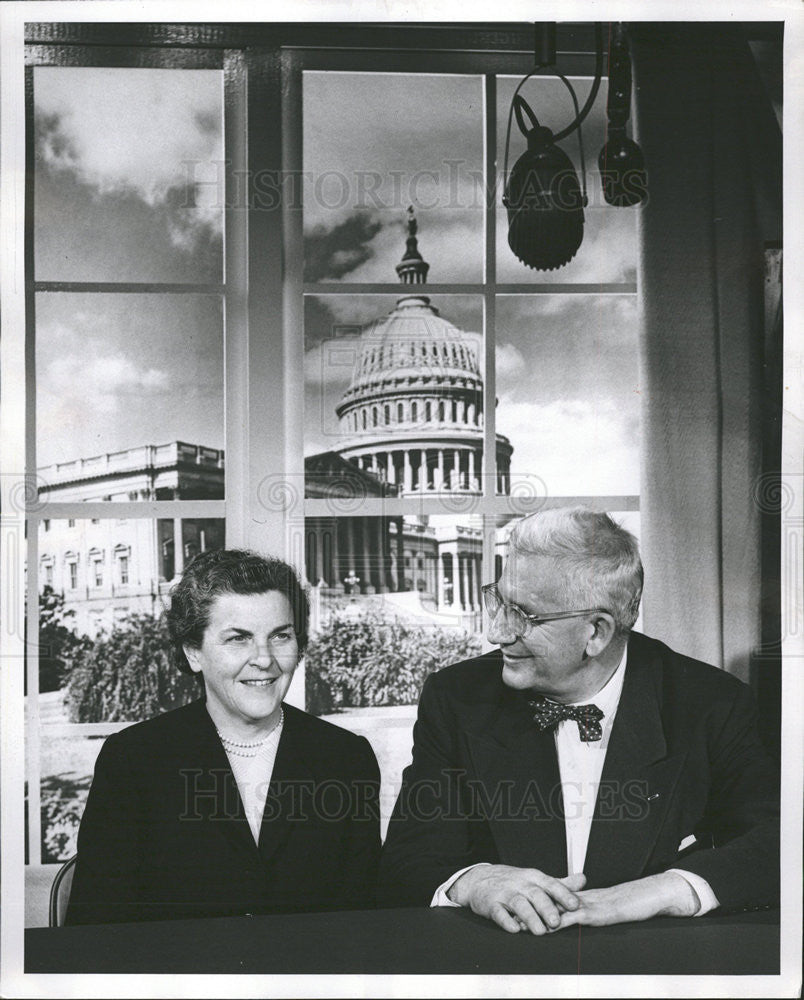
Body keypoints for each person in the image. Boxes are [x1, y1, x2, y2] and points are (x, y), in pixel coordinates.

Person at [378, 507, 779, 934]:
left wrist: (667, 890)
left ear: (596, 633)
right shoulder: (457, 697)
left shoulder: (711, 703)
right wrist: (474, 880)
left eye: (524, 616)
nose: (496, 633)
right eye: (499, 602)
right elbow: (408, 857)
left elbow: (780, 842)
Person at [67, 549, 380, 925]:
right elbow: (95, 931)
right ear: (193, 652)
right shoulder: (133, 761)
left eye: (280, 636)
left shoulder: (346, 759)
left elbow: (363, 924)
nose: (264, 659)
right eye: (238, 639)